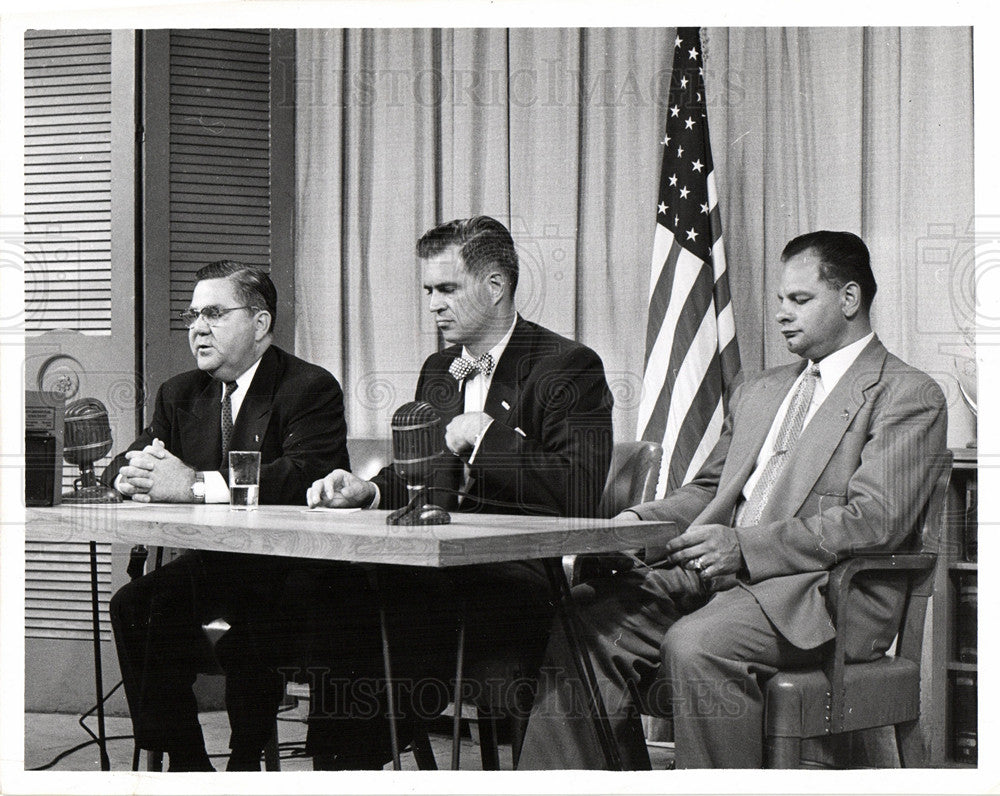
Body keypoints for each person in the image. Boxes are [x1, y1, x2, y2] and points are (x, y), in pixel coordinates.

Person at [517, 230, 949, 769]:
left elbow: (874, 521)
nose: (782, 314)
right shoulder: (760, 390)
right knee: (588, 617)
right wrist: (631, 523)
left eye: (799, 300)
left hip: (819, 593)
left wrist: (744, 548)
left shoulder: (908, 394)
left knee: (698, 644)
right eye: (779, 301)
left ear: (849, 299)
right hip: (721, 577)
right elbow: (706, 492)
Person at [299, 215, 615, 768]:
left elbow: (581, 491)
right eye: (427, 290)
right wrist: (367, 492)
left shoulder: (568, 366)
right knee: (336, 585)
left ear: (495, 287)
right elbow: (425, 473)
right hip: (436, 566)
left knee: (387, 600)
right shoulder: (440, 368)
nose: (433, 305)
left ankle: (350, 758)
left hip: (521, 576)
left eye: (447, 289)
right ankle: (341, 762)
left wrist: (488, 436)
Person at [103, 260, 349, 771]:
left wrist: (191, 485)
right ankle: (189, 763)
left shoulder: (308, 387)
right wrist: (128, 476)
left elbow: (302, 474)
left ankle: (245, 762)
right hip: (218, 569)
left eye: (214, 313)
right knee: (135, 607)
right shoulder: (181, 393)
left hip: (293, 571)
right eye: (193, 314)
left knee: (247, 621)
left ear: (259, 325)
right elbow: (132, 457)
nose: (197, 327)